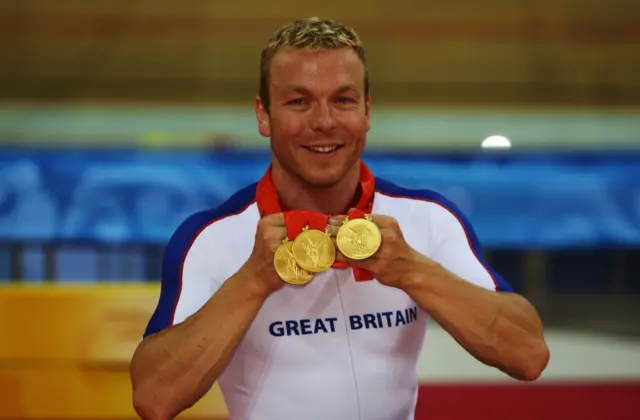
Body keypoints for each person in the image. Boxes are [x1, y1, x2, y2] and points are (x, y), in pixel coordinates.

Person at [130, 17, 550, 420]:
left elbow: (528, 354)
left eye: (343, 100)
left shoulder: (426, 220)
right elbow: (153, 398)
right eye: (299, 101)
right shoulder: (214, 237)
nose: (324, 122)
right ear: (263, 115)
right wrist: (253, 281)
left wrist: (412, 270)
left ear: (367, 111)